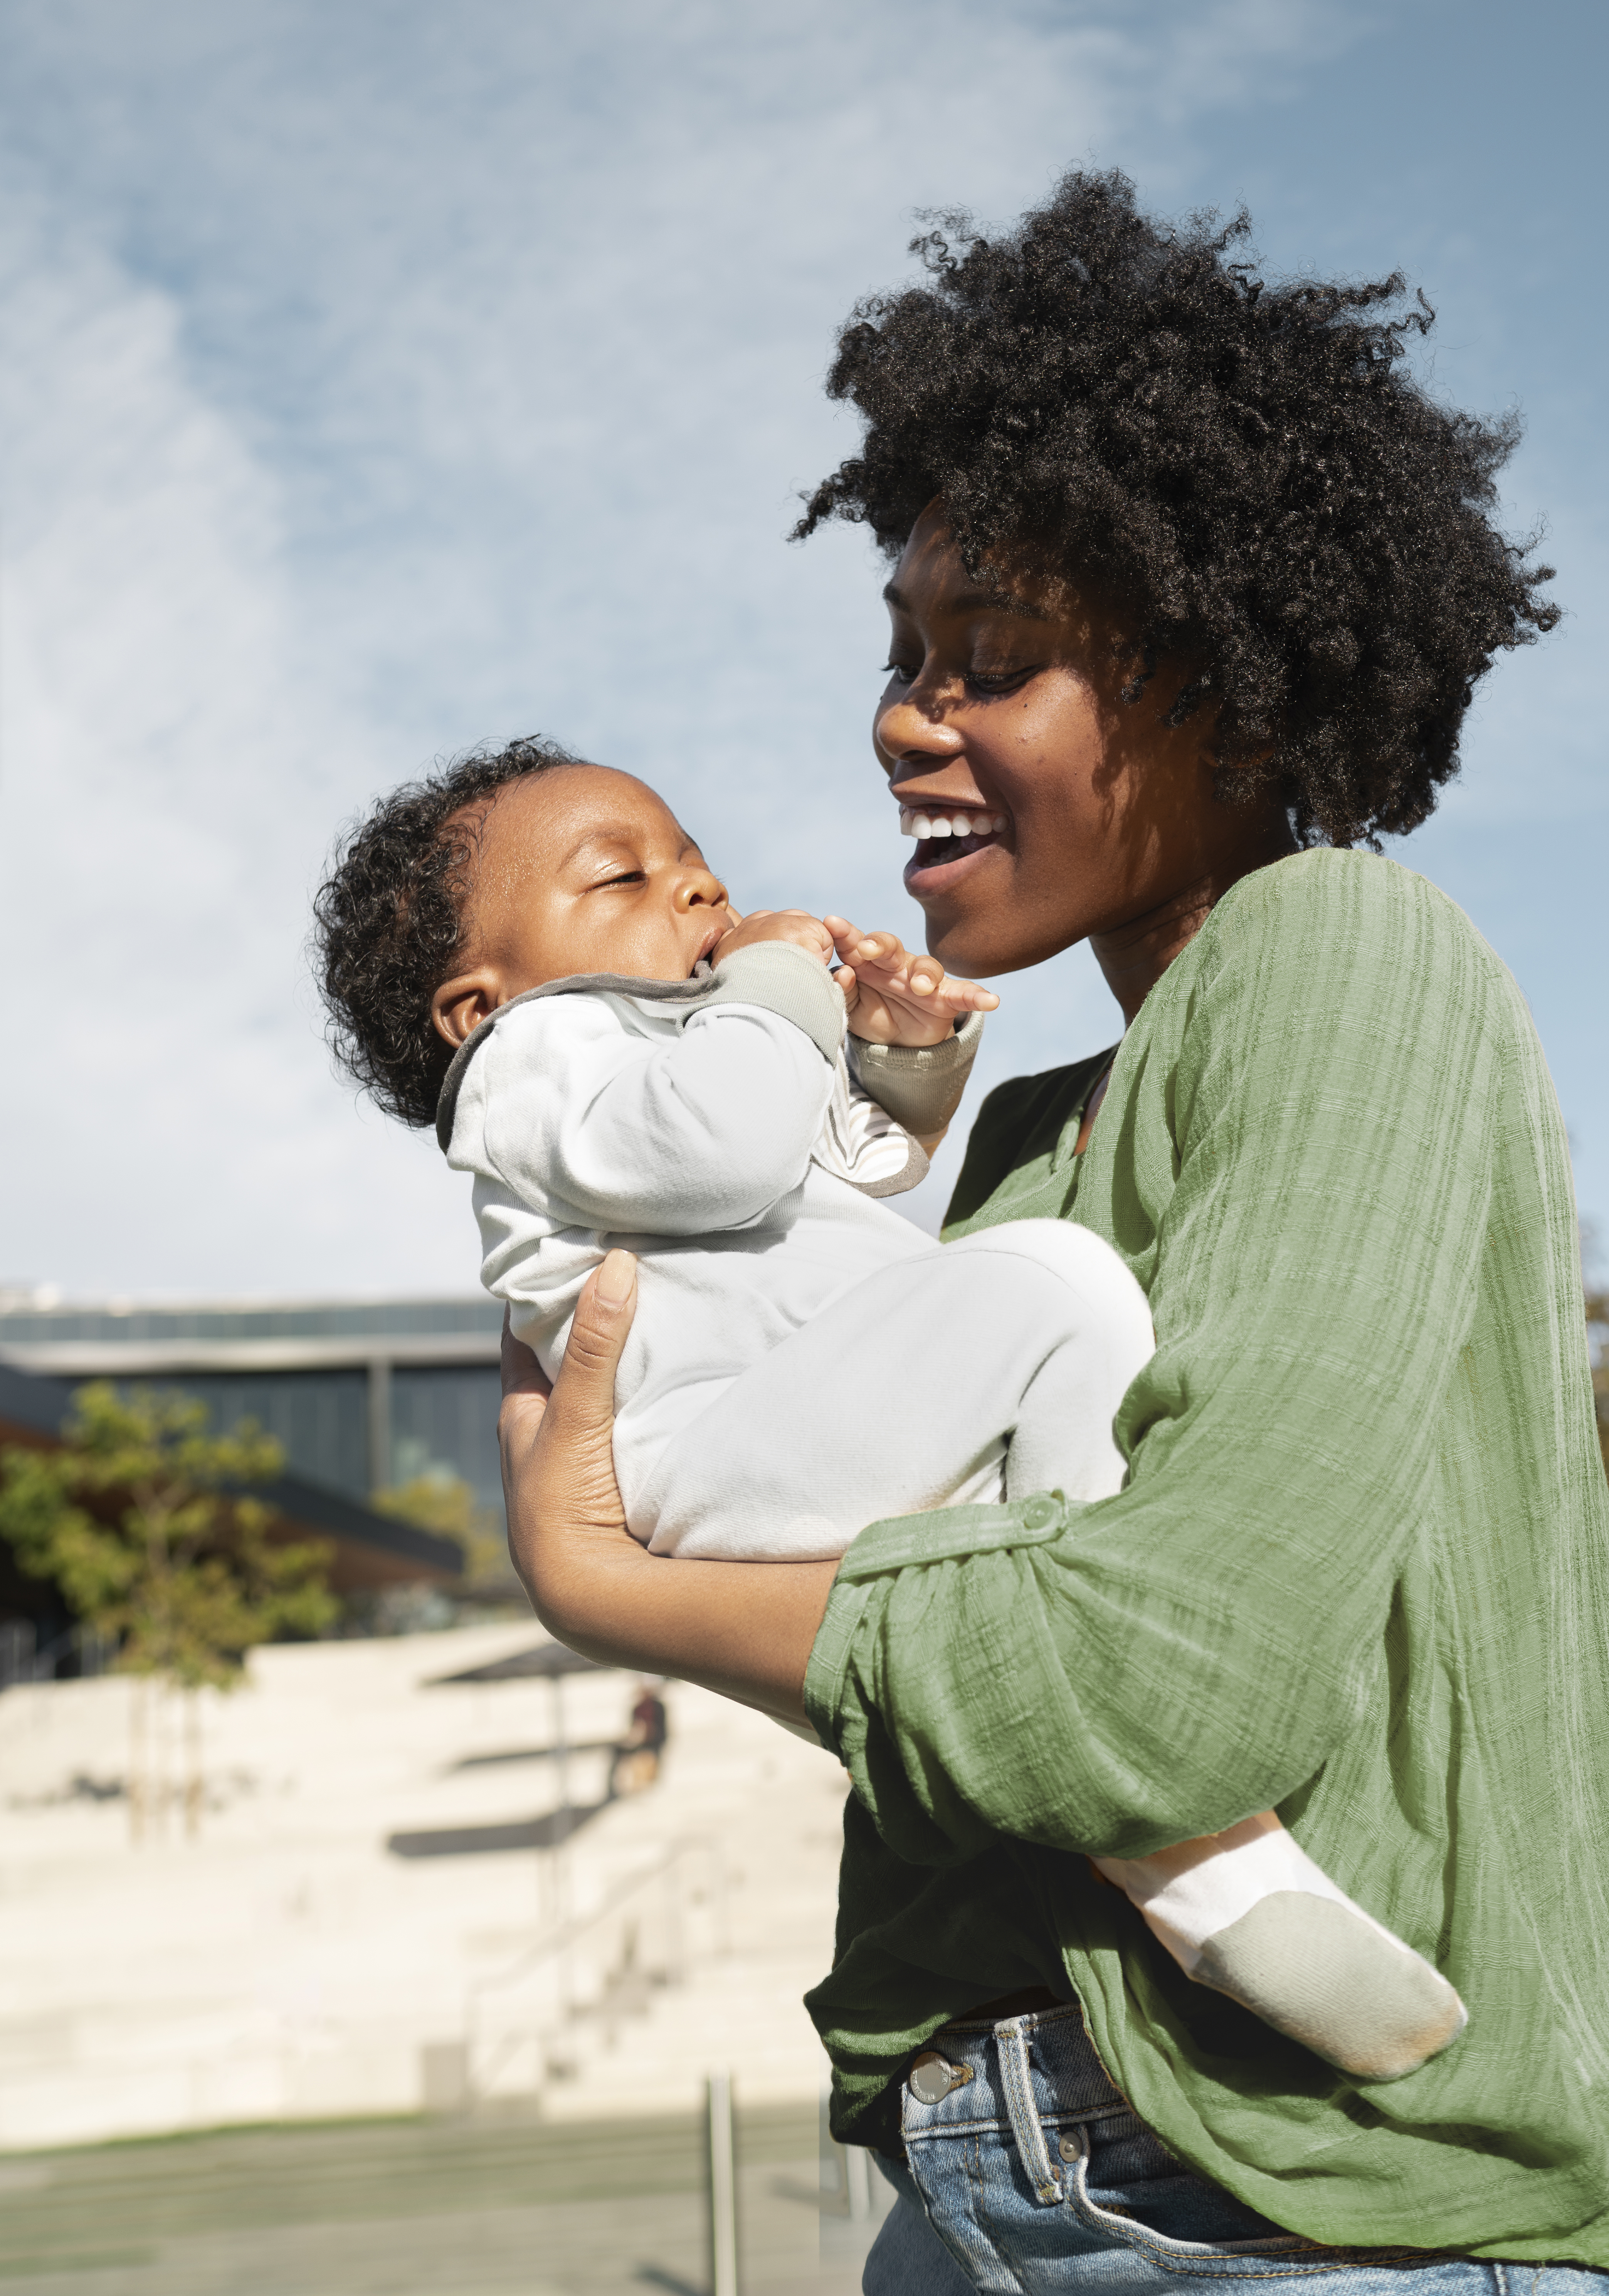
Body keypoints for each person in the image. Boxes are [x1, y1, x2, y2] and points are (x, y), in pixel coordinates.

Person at [493, 173, 1609, 2296]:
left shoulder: (1338, 948)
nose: (905, 718)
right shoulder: (1026, 1135)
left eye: (991, 661)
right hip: (993, 2185)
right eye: (901, 659)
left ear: (1230, 690)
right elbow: (970, 1689)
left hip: (1326, 2214)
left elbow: (1167, 1685)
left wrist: (615, 1581)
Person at [313, 747, 1465, 2079]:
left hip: (811, 1418)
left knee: (1060, 1351)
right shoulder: (533, 1060)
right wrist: (777, 979)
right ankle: (1151, 1787)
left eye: (698, 864)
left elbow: (848, 1161)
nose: (695, 890)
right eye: (623, 877)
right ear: (477, 1001)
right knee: (1059, 1287)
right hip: (711, 1442)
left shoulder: (694, 1047)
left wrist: (904, 1060)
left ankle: (1195, 1853)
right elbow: (726, 1148)